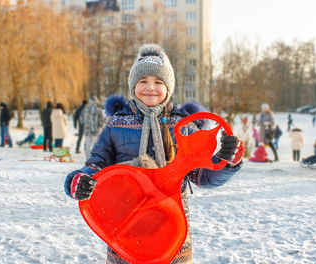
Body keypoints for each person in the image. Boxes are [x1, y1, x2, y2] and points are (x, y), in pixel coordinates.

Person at [63, 44, 244, 263]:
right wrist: (79, 180)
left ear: (169, 87)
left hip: (171, 226)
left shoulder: (183, 125)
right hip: (126, 224)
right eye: (143, 81)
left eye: (158, 82)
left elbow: (201, 175)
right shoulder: (116, 123)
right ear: (133, 86)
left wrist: (227, 162)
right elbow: (97, 165)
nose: (150, 88)